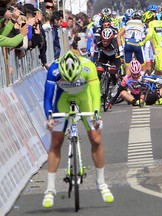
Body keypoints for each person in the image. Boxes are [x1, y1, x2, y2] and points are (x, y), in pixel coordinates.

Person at [42, 50, 114, 208]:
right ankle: (50, 189)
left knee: (96, 139)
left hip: (84, 98)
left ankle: (101, 182)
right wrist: (49, 118)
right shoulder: (54, 69)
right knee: (56, 142)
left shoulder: (88, 66)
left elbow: (96, 95)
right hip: (63, 99)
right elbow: (47, 97)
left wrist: (97, 115)